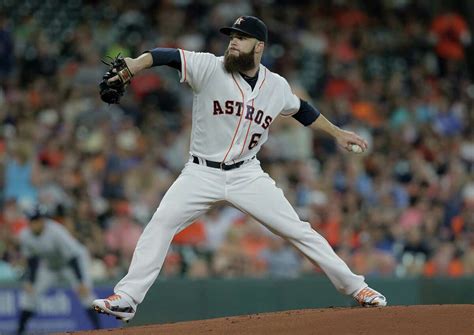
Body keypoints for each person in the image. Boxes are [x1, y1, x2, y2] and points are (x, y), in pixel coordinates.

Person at [93, 16, 387, 322]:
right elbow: (166, 55)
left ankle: (357, 287)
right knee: (160, 224)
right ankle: (127, 298)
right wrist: (136, 65)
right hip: (200, 172)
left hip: (247, 174)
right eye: (231, 36)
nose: (233, 41)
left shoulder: (275, 86)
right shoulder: (209, 67)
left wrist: (338, 133)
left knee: (298, 230)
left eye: (241, 37)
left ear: (259, 47)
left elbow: (302, 110)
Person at [16, 205, 101, 335]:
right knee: (29, 295)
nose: (35, 222)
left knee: (86, 294)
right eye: (32, 220)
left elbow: (73, 257)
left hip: (73, 263)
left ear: (43, 220)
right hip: (50, 266)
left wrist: (81, 281)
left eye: (37, 219)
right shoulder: (25, 235)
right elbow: (32, 261)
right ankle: (20, 331)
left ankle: (99, 330)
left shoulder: (56, 231)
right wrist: (30, 281)